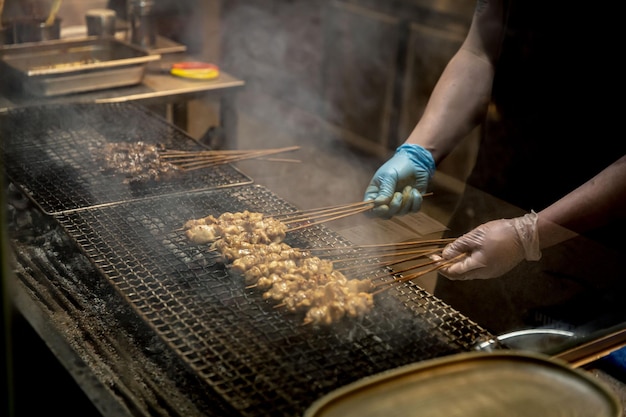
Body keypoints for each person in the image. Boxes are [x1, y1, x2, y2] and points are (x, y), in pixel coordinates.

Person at [364, 0, 626, 334]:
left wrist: (529, 235)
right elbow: (480, 51)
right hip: (492, 191)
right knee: (448, 337)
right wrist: (420, 150)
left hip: (592, 237)